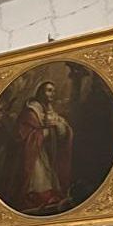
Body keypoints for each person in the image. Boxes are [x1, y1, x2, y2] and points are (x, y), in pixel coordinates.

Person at [9, 81, 75, 213]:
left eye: (53, 91)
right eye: (49, 90)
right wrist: (45, 132)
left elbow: (63, 129)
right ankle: (33, 200)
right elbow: (23, 136)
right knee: (38, 179)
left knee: (48, 179)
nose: (52, 94)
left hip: (43, 152)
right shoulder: (31, 111)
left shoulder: (49, 110)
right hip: (33, 155)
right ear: (40, 92)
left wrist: (62, 128)